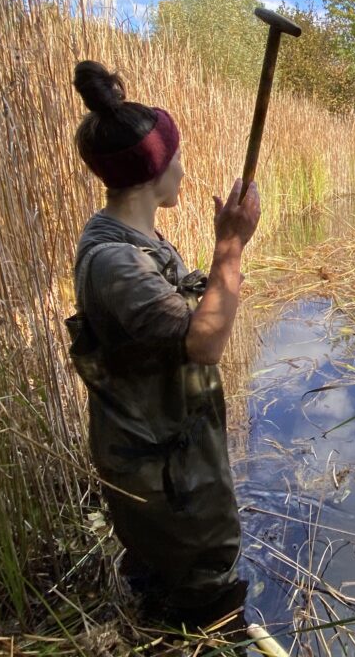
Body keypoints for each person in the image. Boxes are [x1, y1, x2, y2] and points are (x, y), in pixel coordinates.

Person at [65, 60, 260, 629]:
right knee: (202, 591)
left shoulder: (137, 237)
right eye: (173, 155)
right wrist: (229, 248)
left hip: (174, 453)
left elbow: (180, 317)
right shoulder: (114, 261)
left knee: (170, 581)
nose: (182, 166)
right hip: (162, 469)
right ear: (152, 169)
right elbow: (203, 344)